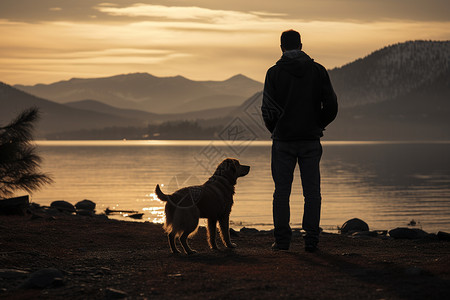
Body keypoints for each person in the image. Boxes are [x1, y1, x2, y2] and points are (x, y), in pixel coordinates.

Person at [261, 29, 338, 252]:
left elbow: (267, 109)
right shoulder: (318, 71)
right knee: (312, 193)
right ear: (301, 45)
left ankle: (283, 242)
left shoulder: (273, 73)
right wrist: (318, 125)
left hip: (283, 140)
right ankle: (311, 241)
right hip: (310, 140)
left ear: (282, 47)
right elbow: (331, 105)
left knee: (281, 192)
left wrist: (276, 129)